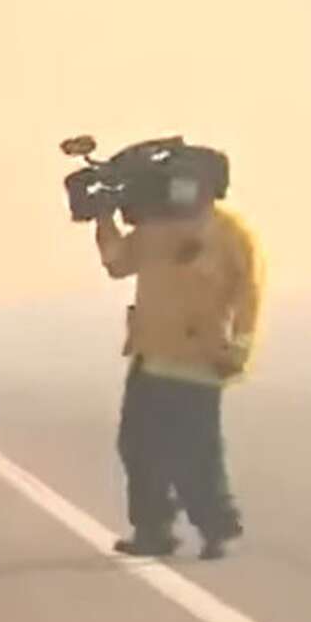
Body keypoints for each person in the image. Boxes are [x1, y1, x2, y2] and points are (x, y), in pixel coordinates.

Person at [94, 165, 263, 560]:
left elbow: (249, 293)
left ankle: (216, 527)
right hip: (150, 356)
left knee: (196, 451)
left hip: (199, 359)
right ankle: (154, 530)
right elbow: (118, 262)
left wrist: (239, 348)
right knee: (137, 448)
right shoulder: (157, 227)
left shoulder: (228, 235)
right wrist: (103, 219)